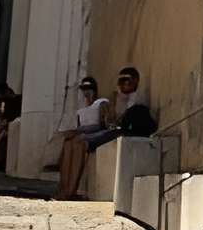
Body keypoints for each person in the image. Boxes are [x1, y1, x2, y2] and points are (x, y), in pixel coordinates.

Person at [55, 66, 155, 202]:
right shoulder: (119, 98)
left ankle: (71, 189)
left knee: (80, 142)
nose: (124, 84)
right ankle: (64, 188)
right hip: (114, 130)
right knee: (70, 143)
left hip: (123, 132)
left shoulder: (139, 96)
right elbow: (112, 120)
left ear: (136, 81)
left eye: (128, 81)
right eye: (121, 81)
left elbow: (123, 121)